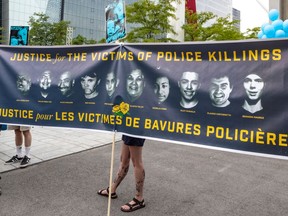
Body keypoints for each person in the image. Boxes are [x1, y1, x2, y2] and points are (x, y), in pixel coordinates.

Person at [98, 135, 146, 213]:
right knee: (124, 159)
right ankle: (112, 190)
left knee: (136, 162)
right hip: (128, 127)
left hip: (136, 128)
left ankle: (139, 199)